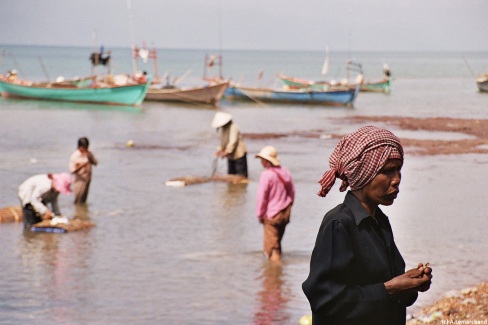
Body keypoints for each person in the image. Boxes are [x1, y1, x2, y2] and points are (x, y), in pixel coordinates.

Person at [302, 126, 432, 325]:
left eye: (398, 170)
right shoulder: (339, 224)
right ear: (365, 174)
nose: (397, 179)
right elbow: (325, 301)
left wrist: (412, 284)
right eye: (388, 171)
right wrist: (391, 288)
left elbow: (391, 288)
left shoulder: (380, 222)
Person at [255, 146, 295, 262]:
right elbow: (292, 193)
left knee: (273, 248)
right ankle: (278, 275)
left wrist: (260, 214)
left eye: (262, 159)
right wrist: (288, 206)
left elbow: (261, 197)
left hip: (272, 215)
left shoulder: (266, 175)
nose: (261, 161)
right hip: (285, 213)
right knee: (277, 243)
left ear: (267, 161)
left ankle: (275, 276)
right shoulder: (285, 172)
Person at [211, 112, 248, 177]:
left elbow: (233, 142)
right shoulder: (224, 129)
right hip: (231, 156)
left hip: (239, 155)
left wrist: (226, 152)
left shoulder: (233, 127)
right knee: (231, 176)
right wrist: (219, 150)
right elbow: (223, 142)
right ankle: (232, 187)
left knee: (241, 176)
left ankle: (241, 187)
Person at [69, 137, 98, 204]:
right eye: (84, 147)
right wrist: (83, 165)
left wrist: (90, 158)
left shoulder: (88, 153)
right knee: (78, 200)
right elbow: (72, 170)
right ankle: (77, 213)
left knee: (83, 201)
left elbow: (95, 163)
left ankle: (82, 213)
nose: (86, 149)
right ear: (80, 147)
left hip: (87, 179)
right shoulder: (75, 156)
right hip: (79, 180)